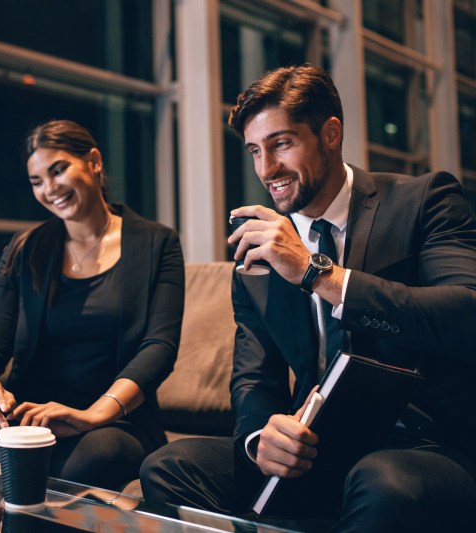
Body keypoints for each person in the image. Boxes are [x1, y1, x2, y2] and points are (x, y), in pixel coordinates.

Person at [140, 65, 476, 531]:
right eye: (255, 151)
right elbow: (255, 379)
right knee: (169, 466)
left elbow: (466, 315)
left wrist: (317, 273)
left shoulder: (423, 201)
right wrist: (261, 439)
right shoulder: (256, 255)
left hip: (425, 443)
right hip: (317, 447)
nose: (266, 170)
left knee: (381, 481)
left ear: (331, 133)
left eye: (281, 144)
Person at [0, 119, 185, 490]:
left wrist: (93, 415)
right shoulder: (25, 249)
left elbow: (159, 348)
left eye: (58, 170)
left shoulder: (156, 242)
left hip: (112, 420)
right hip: (32, 417)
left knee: (97, 454)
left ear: (94, 161)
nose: (49, 189)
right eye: (36, 181)